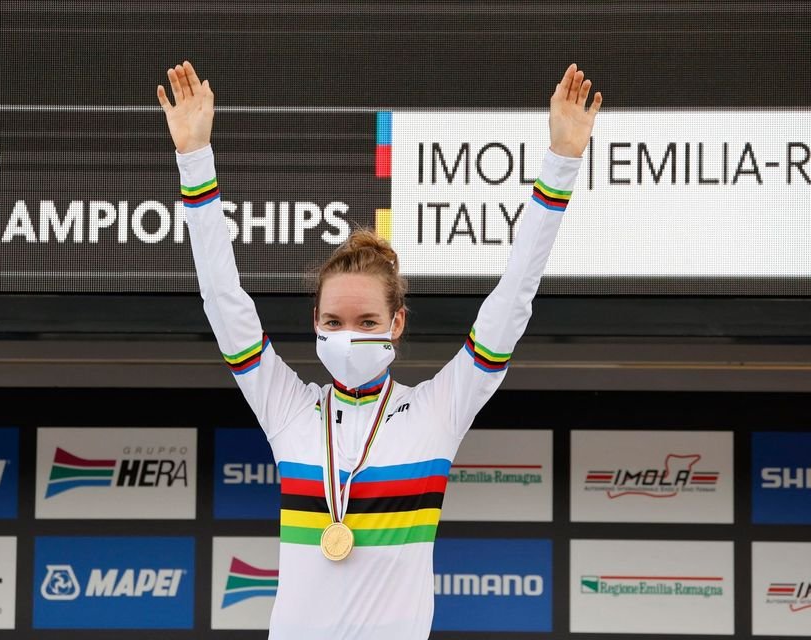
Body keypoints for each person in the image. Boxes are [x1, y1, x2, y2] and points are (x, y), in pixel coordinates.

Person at [158, 60, 601, 640]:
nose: (348, 334)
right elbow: (223, 299)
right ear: (315, 324)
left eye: (366, 321)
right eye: (334, 321)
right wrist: (194, 156)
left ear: (397, 323)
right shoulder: (289, 409)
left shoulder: (436, 411)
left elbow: (512, 298)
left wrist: (562, 161)